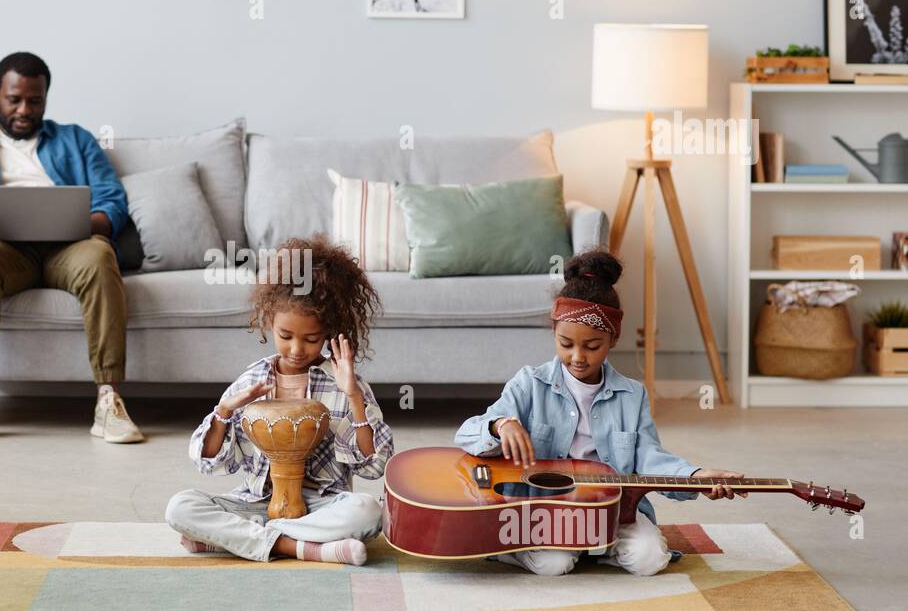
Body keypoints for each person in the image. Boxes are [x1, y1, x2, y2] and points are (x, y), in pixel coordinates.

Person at [454, 249, 747, 576]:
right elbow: (467, 431)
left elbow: (650, 458)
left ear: (613, 339)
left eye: (592, 346)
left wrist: (695, 477)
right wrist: (500, 425)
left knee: (650, 560)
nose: (578, 356)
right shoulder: (529, 383)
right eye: (566, 344)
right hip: (547, 511)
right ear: (554, 333)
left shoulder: (632, 395)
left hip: (613, 510)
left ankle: (592, 547)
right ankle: (551, 549)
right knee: (554, 564)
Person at [0, 51, 143, 444]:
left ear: (45, 98)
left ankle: (108, 400)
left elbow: (112, 202)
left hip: (68, 247)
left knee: (100, 254)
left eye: (34, 101)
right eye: (14, 99)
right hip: (4, 250)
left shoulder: (76, 140)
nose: (24, 109)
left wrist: (72, 220)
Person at [164, 235, 393, 565]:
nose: (297, 349)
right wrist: (225, 411)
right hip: (258, 501)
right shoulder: (253, 380)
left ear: (328, 332)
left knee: (369, 512)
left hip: (320, 503)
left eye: (311, 339)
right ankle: (301, 547)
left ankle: (238, 539)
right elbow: (208, 462)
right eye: (286, 336)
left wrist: (354, 396)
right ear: (269, 320)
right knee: (180, 506)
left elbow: (375, 467)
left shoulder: (344, 383)